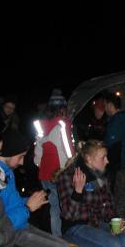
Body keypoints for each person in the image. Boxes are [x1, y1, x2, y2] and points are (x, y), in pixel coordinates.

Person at [33, 89, 76, 237]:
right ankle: (67, 238)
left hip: (45, 172)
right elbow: (68, 150)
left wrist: (40, 165)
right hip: (61, 172)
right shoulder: (62, 124)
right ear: (63, 107)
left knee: (54, 207)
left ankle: (57, 238)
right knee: (66, 206)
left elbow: (38, 150)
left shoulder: (41, 125)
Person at [102, 91, 125, 187]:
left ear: (110, 105)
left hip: (120, 166)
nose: (104, 109)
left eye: (105, 105)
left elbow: (108, 143)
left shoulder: (117, 121)